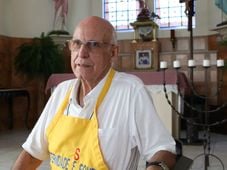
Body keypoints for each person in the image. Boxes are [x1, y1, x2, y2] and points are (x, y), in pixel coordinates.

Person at [12, 16, 176, 170]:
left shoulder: (131, 92)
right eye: (77, 43)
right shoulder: (61, 91)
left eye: (94, 44)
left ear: (113, 52)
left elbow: (162, 149)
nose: (82, 53)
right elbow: (32, 152)